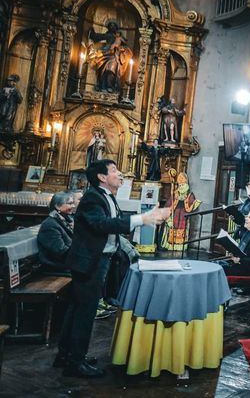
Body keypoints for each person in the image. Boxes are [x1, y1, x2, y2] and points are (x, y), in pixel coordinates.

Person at [55, 159, 169, 378]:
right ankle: (75, 363)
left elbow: (114, 222)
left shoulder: (107, 197)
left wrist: (142, 219)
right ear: (102, 177)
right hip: (89, 261)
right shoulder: (92, 197)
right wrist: (142, 218)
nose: (120, 174)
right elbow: (102, 225)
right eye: (115, 170)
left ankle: (67, 355)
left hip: (97, 260)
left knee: (78, 309)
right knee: (84, 312)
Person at [37, 192, 77, 276]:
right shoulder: (50, 225)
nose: (73, 206)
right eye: (69, 203)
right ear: (57, 206)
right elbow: (61, 252)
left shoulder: (67, 220)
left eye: (73, 203)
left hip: (67, 264)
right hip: (57, 267)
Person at [160, 172, 202, 251]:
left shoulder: (189, 194)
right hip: (175, 214)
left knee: (182, 230)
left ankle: (180, 247)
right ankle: (171, 246)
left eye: (183, 184)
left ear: (186, 184)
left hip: (183, 215)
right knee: (173, 229)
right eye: (180, 185)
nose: (181, 186)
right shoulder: (175, 194)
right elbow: (169, 204)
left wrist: (193, 202)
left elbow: (191, 203)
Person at [88, 21, 133, 93]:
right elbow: (97, 37)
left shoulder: (119, 37)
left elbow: (125, 44)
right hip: (105, 53)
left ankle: (110, 86)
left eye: (113, 26)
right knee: (102, 70)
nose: (112, 27)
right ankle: (102, 86)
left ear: (116, 28)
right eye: (110, 26)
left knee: (111, 70)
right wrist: (92, 32)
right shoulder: (108, 35)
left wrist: (121, 48)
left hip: (114, 56)